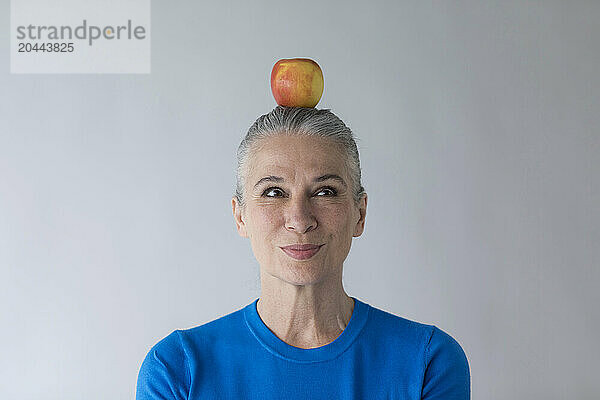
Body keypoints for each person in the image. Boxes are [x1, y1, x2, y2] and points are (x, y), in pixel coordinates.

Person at [136, 106, 470, 399]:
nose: (299, 219)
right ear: (241, 217)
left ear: (360, 213)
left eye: (325, 191)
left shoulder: (427, 362)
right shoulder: (177, 370)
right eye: (273, 191)